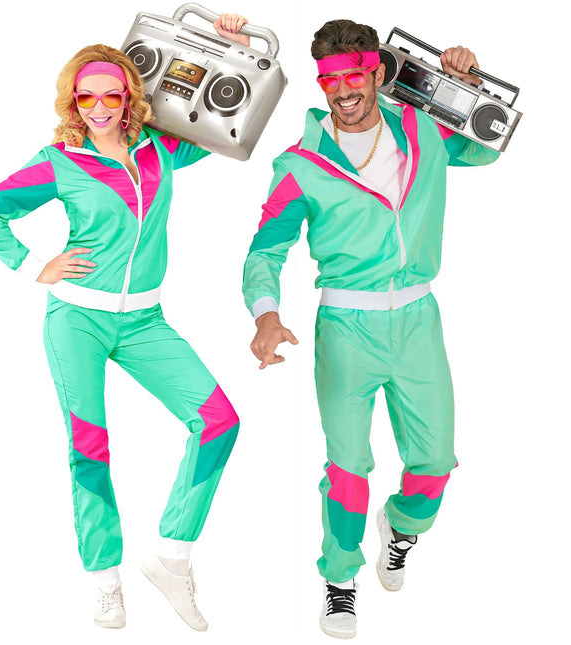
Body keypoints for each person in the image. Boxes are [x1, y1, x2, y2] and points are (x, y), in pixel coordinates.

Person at [0, 13, 249, 632]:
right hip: (77, 321)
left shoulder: (162, 148)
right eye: (86, 96)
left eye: (110, 95)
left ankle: (172, 558)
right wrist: (34, 266)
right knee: (89, 448)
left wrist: (231, 47)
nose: (97, 107)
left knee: (219, 423)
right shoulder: (59, 160)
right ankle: (105, 583)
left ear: (130, 96)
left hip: (146, 321)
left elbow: (229, 118)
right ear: (73, 100)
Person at [242, 19, 499, 639]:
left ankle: (401, 527)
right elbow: (265, 251)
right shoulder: (300, 164)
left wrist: (465, 86)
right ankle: (339, 579)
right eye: (330, 79)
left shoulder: (423, 130)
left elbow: (487, 149)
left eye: (355, 75)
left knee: (434, 461)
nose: (343, 90)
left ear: (378, 73)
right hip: (345, 328)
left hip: (418, 322)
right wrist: (267, 314)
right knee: (349, 464)